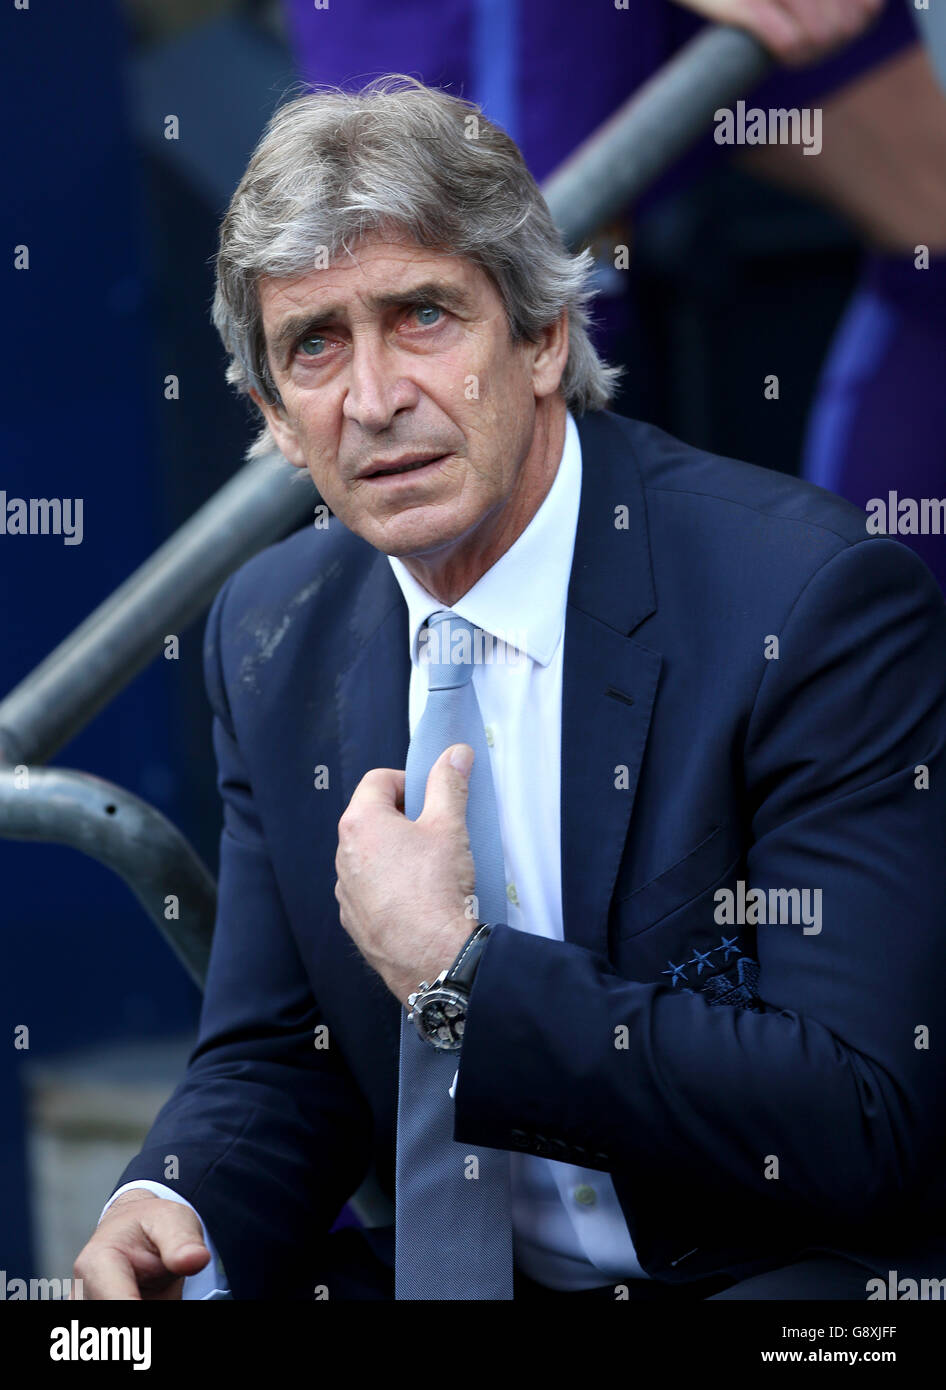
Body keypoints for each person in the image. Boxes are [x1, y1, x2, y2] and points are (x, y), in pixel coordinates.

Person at [73, 75, 946, 1301]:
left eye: (423, 316)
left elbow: (862, 1117)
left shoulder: (805, 603)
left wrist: (457, 970)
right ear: (275, 419)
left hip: (773, 1276)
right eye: (315, 345)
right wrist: (171, 1210)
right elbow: (282, 1053)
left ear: (541, 337)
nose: (374, 400)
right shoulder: (272, 631)